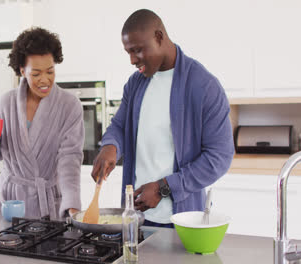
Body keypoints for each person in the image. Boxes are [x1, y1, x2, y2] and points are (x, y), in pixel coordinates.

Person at [91, 9, 234, 227]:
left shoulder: (204, 86)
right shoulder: (136, 83)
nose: (131, 60)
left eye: (137, 50)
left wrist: (163, 187)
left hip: (182, 221)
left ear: (158, 37)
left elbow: (219, 157)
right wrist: (110, 146)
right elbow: (120, 125)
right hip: (135, 218)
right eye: (128, 52)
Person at [0, 27, 84, 219]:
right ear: (22, 71)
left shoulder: (69, 105)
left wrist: (72, 205)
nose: (45, 80)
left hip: (49, 203)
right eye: (36, 74)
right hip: (11, 200)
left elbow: (70, 158)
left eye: (50, 71)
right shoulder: (5, 103)